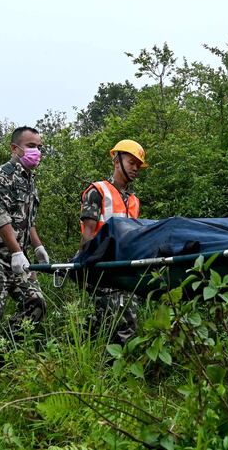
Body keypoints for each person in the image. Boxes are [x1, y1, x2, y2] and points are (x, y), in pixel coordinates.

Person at [0, 126, 49, 358]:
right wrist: (16, 251)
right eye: (31, 146)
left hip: (19, 258)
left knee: (36, 303)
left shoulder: (30, 180)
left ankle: (5, 351)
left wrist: (38, 247)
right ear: (15, 149)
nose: (37, 151)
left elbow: (28, 221)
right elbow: (1, 219)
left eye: (39, 147)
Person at [80, 139, 146, 345]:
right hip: (101, 266)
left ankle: (97, 365)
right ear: (117, 161)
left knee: (104, 322)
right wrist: (89, 269)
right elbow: (88, 233)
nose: (135, 168)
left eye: (138, 165)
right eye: (131, 162)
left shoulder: (134, 200)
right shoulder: (97, 191)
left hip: (124, 268)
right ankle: (115, 368)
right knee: (125, 321)